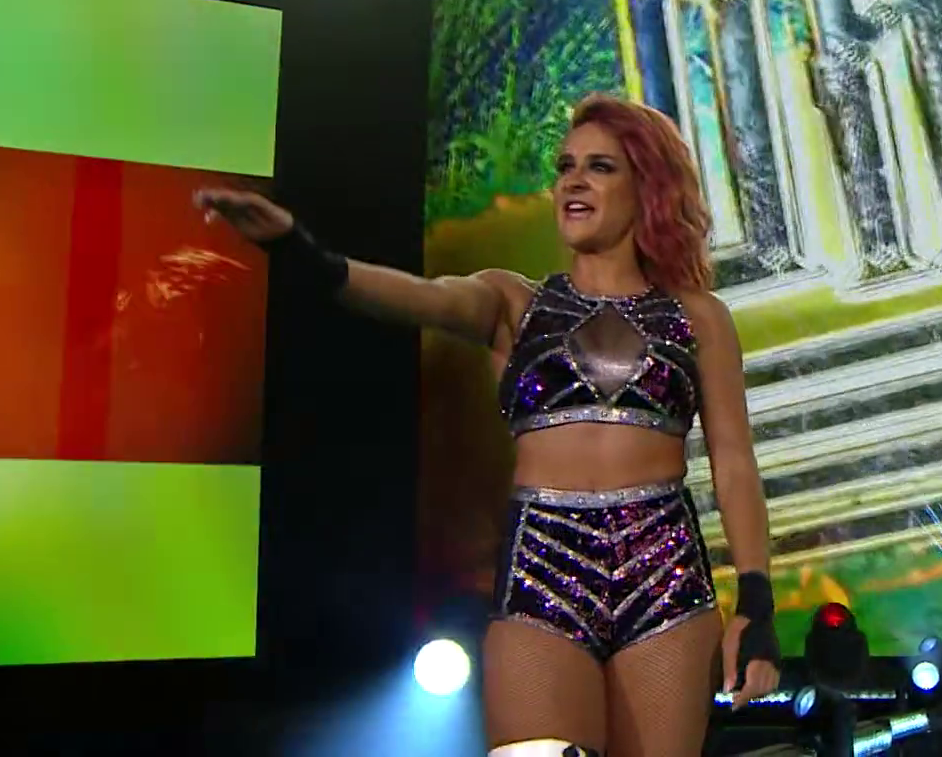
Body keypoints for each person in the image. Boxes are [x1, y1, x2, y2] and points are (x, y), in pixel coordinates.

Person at [196, 94, 781, 757]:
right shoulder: (512, 303)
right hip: (544, 571)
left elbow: (734, 463)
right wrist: (302, 252)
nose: (574, 182)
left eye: (600, 167)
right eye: (565, 167)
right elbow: (419, 297)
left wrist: (755, 601)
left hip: (665, 577)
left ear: (647, 186)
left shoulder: (698, 318)